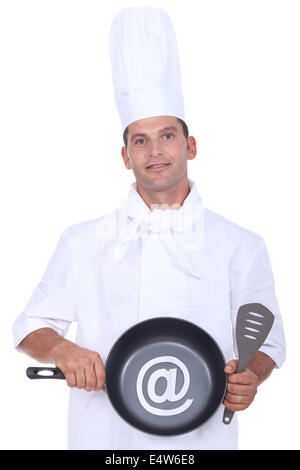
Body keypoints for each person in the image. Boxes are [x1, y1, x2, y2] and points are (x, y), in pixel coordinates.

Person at [12, 7, 285, 450]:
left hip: (202, 443)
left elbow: (267, 340)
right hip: (104, 444)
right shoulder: (81, 241)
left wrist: (252, 373)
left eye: (167, 136)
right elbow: (31, 325)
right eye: (140, 140)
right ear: (125, 156)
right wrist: (64, 352)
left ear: (190, 145)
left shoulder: (241, 245)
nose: (155, 151)